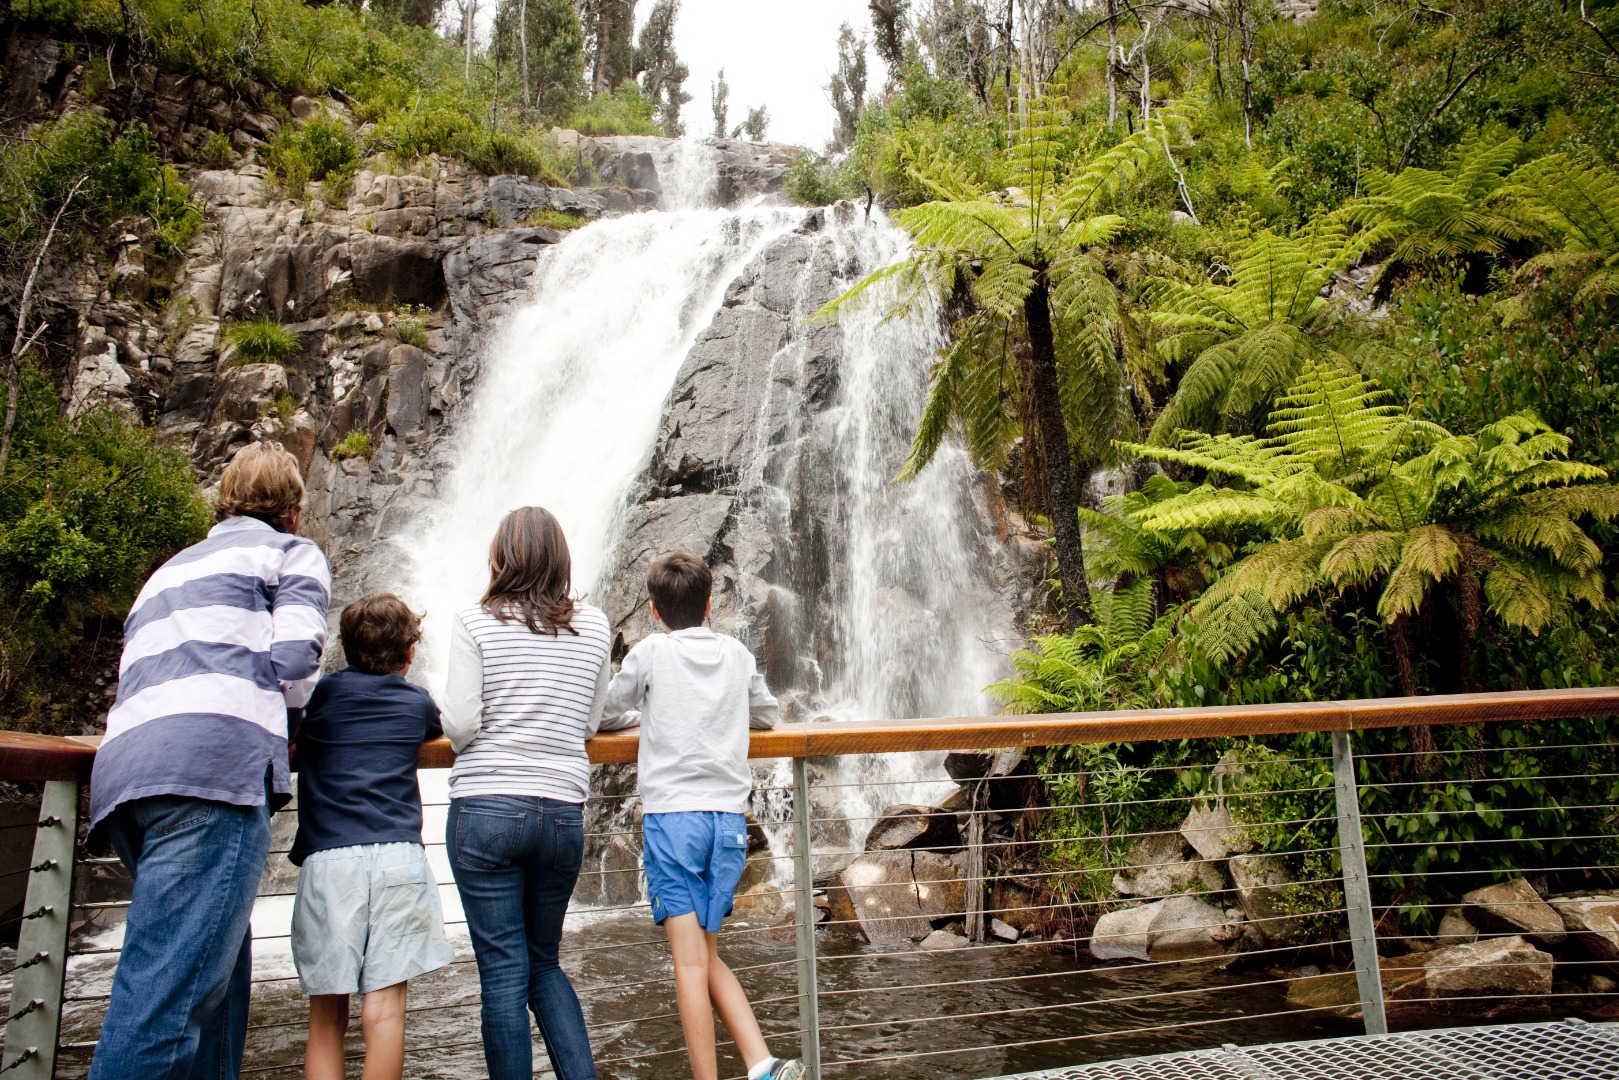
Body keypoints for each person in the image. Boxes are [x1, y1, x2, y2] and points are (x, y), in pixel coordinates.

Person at [87, 441, 331, 1080]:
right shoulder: (289, 552)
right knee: (165, 1002)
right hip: (211, 775)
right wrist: (291, 730)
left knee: (213, 969)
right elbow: (298, 658)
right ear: (294, 510)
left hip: (126, 776)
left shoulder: (167, 570)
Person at [599, 552, 802, 1080]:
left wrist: (638, 714)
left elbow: (602, 710)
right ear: (710, 604)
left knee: (688, 964)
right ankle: (761, 1064)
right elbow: (767, 713)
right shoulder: (735, 654)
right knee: (706, 957)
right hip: (728, 825)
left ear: (653, 610)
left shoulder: (649, 653)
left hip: (674, 823)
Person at [442, 506, 613, 1080]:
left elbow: (461, 726)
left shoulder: (474, 621)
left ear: (501, 556)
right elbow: (590, 725)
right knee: (544, 964)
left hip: (487, 809)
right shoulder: (595, 626)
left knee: (503, 972)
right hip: (562, 813)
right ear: (561, 559)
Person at [290, 593, 454, 1080]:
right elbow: (436, 727)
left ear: (345, 649)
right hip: (397, 857)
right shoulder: (415, 700)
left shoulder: (324, 695)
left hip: (330, 860)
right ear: (409, 652)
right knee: (384, 1012)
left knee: (326, 1017)